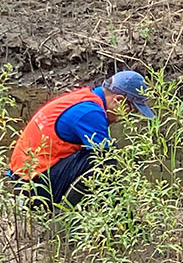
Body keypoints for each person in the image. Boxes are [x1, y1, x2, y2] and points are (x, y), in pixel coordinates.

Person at [8, 70, 153, 209]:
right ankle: (64, 215)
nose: (125, 119)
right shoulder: (90, 113)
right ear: (119, 101)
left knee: (100, 154)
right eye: (130, 111)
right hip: (33, 188)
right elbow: (107, 165)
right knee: (105, 159)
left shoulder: (85, 98)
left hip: (25, 180)